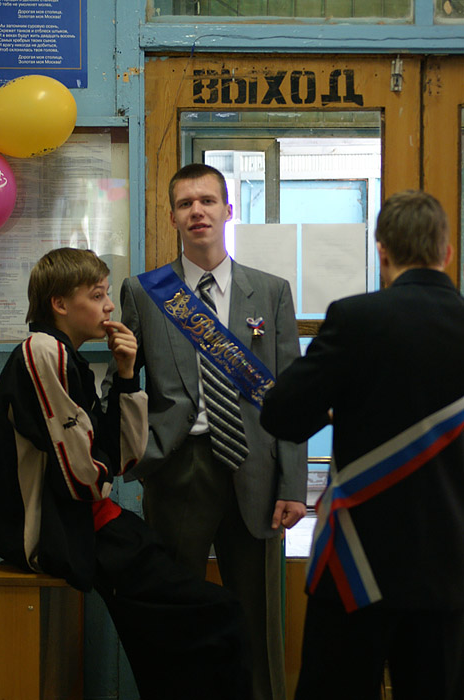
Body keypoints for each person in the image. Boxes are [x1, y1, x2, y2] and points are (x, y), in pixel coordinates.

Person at [0, 247, 252, 700]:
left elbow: (124, 459)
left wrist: (128, 374)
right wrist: (102, 464)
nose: (110, 306)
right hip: (60, 532)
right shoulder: (42, 351)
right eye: (97, 295)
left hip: (93, 523)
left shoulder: (68, 357)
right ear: (59, 304)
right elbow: (86, 478)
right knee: (218, 614)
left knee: (169, 636)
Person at [102, 163, 307, 700]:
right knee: (177, 617)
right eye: (186, 203)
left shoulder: (272, 292)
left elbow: (290, 399)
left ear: (227, 210)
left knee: (257, 617)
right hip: (179, 469)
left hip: (256, 471)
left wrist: (293, 485)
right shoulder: (145, 292)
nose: (197, 211)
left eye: (208, 201)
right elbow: (127, 385)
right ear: (172, 217)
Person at [260, 190, 464, 700]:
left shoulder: (356, 318)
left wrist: (337, 409)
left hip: (355, 565)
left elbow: (280, 413)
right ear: (447, 252)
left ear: (381, 250)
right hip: (449, 569)